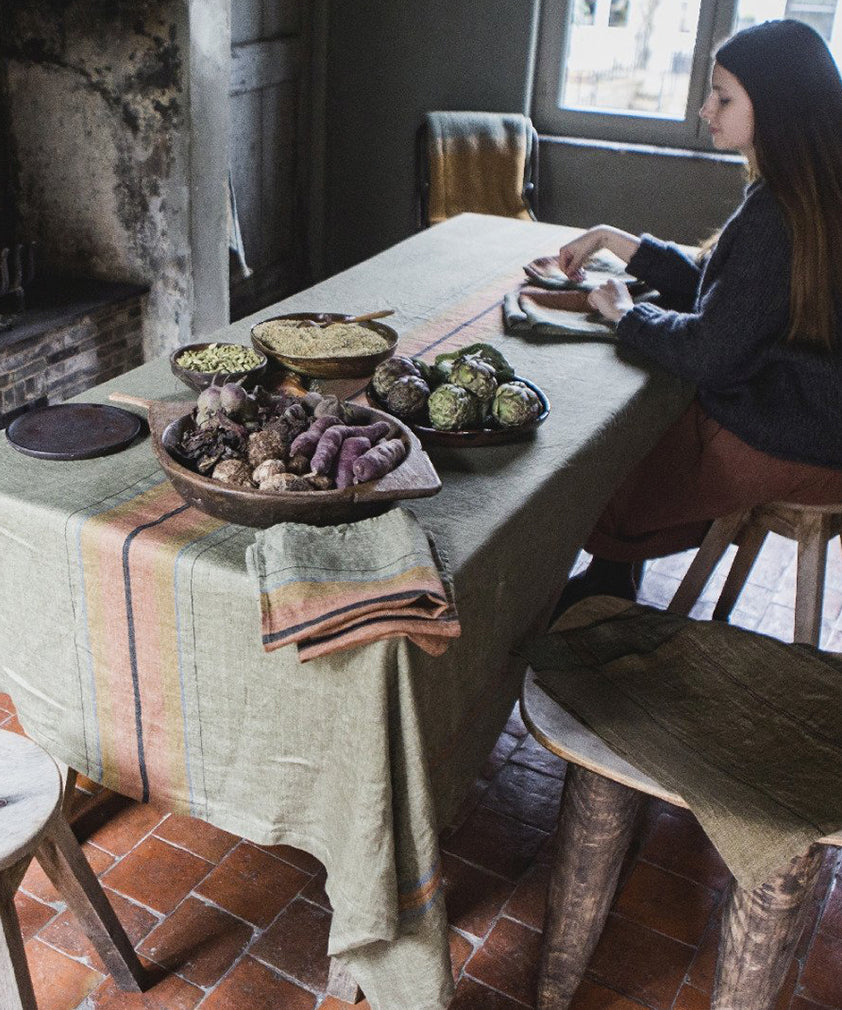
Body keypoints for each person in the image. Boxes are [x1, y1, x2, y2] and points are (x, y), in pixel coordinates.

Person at [554, 18, 842, 612]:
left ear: (777, 108)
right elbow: (737, 299)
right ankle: (612, 579)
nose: (707, 108)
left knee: (609, 445)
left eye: (724, 96)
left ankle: (596, 584)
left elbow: (712, 351)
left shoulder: (776, 213)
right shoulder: (813, 192)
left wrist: (625, 315)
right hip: (821, 419)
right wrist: (616, 239)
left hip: (800, 437)